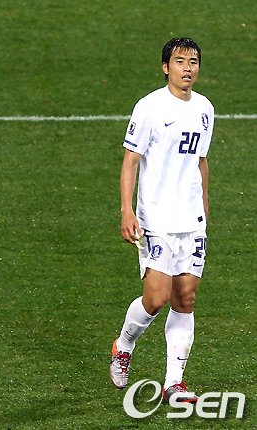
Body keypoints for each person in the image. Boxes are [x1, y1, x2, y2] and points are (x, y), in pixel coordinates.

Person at [109, 37, 214, 403]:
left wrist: (204, 206)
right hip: (155, 217)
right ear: (166, 67)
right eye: (180, 61)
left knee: (185, 297)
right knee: (156, 298)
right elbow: (130, 161)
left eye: (193, 61)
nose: (188, 68)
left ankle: (174, 384)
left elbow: (201, 161)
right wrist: (127, 211)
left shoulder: (205, 108)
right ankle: (124, 344)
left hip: (191, 220)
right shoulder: (149, 107)